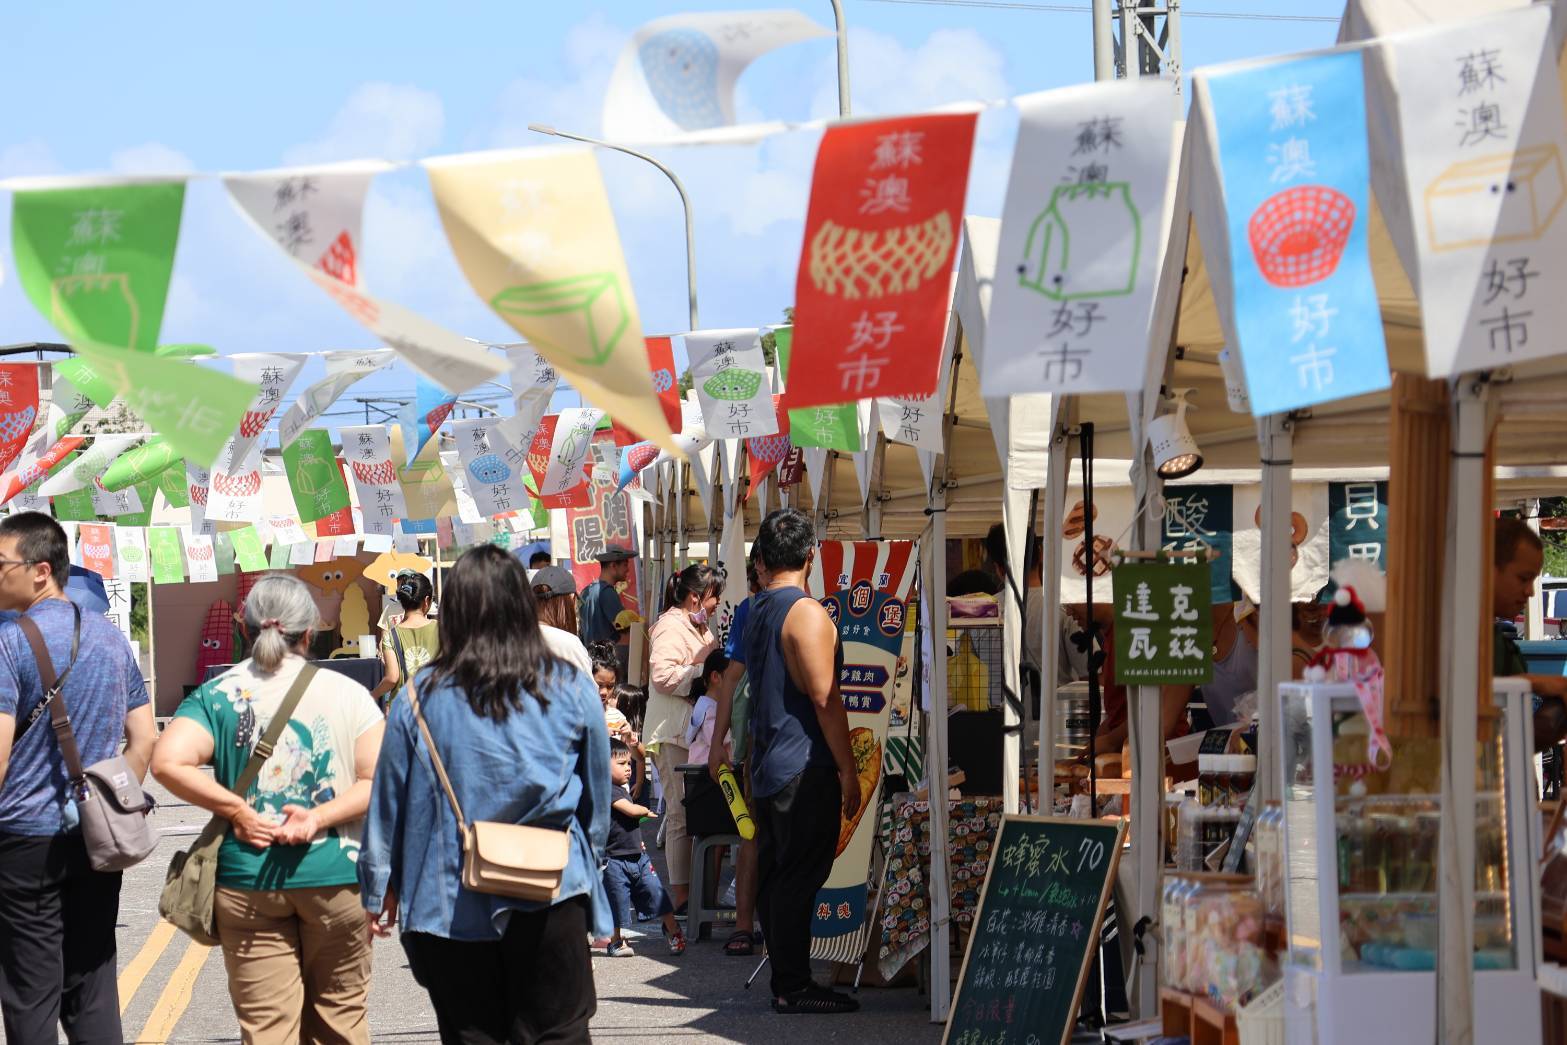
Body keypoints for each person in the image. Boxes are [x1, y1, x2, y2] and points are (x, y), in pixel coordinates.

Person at [359, 544, 609, 1045]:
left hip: (448, 900)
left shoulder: (419, 695)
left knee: (472, 1036)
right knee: (559, 1033)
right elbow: (596, 800)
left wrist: (378, 884)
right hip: (551, 888)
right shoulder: (570, 686)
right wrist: (589, 863)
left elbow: (389, 802)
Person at [153, 573, 384, 1044]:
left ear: (244, 625)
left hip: (247, 878)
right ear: (310, 630)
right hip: (335, 875)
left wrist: (238, 811)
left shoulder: (216, 694)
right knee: (341, 1023)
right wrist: (318, 818)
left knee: (267, 1031)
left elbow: (167, 761)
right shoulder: (349, 695)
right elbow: (377, 780)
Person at [0, 512, 156, 1044]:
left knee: (29, 992)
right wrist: (109, 800)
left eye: (1, 565)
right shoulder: (112, 640)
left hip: (23, 839)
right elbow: (145, 739)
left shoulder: (7, 643)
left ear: (40, 570)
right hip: (96, 838)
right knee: (91, 979)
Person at [745, 509, 861, 1014]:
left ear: (765, 560)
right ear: (811, 555)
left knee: (779, 875)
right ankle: (793, 984)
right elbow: (824, 697)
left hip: (771, 764)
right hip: (802, 763)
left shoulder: (756, 610)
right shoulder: (806, 612)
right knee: (797, 876)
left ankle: (786, 981)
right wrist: (849, 768)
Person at [644, 563, 722, 912]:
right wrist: (705, 670)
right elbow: (662, 676)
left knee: (696, 815)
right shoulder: (669, 626)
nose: (717, 603)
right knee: (679, 815)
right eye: (713, 597)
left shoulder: (697, 624)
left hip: (691, 734)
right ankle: (682, 896)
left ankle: (695, 894)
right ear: (695, 597)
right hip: (674, 733)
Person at [708, 551, 768, 956]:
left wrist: (719, 743)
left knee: (756, 835)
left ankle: (751, 927)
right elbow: (732, 677)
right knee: (755, 834)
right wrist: (717, 743)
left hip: (766, 743)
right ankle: (748, 925)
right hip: (766, 744)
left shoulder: (751, 610)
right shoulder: (751, 610)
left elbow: (732, 677)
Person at [603, 738, 686, 957]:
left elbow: (627, 819)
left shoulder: (623, 788)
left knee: (657, 893)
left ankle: (672, 928)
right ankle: (616, 941)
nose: (628, 769)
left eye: (628, 764)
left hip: (638, 857)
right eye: (621, 764)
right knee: (617, 903)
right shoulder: (606, 790)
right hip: (614, 859)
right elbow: (629, 811)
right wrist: (644, 812)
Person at [1492, 517, 1567, 748]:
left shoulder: (1492, 637)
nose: (1530, 592)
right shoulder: (1458, 634)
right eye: (1523, 578)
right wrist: (1531, 682)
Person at [373, 570, 438, 708]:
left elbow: (392, 678)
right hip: (435, 704)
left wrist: (373, 694)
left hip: (403, 708)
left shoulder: (391, 635)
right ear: (426, 601)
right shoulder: (442, 629)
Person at [579, 548, 636, 676]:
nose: (628, 569)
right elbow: (625, 632)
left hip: (590, 661)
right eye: (625, 564)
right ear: (613, 565)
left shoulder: (586, 591)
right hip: (606, 663)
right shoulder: (607, 592)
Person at [686, 649, 729, 766]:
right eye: (733, 675)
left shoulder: (706, 704)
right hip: (704, 773)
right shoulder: (707, 707)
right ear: (715, 677)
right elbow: (717, 737)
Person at [532, 564, 581, 637]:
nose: (575, 608)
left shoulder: (516, 637)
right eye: (574, 602)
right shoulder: (570, 642)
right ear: (569, 600)